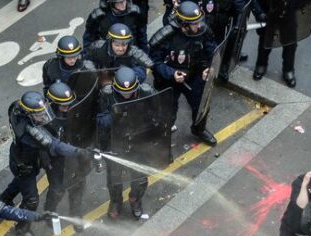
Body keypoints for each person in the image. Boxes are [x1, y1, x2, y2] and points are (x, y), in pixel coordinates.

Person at [0, 91, 92, 236]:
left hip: (32, 157)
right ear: (28, 115)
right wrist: (79, 151)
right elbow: (54, 144)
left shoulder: (16, 107)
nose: (43, 117)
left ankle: (4, 198)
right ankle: (22, 229)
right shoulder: (28, 132)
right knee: (31, 199)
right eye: (39, 115)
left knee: (20, 182)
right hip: (24, 163)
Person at [149, 1, 219, 146]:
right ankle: (164, 134)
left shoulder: (203, 31)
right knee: (168, 110)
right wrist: (172, 73)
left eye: (199, 22)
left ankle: (199, 129)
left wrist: (208, 67)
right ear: (184, 24)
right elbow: (155, 63)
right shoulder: (166, 36)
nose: (199, 26)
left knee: (201, 105)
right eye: (194, 24)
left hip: (194, 75)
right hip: (170, 79)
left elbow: (211, 52)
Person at [96, 67, 155, 219]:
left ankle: (135, 199)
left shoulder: (146, 92)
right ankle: (116, 202)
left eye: (129, 91)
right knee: (114, 178)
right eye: (123, 92)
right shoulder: (107, 95)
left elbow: (157, 114)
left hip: (138, 141)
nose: (127, 95)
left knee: (140, 178)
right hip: (116, 141)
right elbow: (100, 119)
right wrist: (114, 116)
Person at [42, 82, 93, 230]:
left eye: (69, 104)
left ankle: (76, 214)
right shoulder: (45, 119)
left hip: (77, 156)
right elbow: (44, 145)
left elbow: (87, 129)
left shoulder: (77, 110)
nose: (67, 107)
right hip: (58, 161)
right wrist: (47, 162)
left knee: (78, 185)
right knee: (57, 190)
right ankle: (49, 213)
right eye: (63, 105)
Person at [251, 0, 303, 87]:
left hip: (288, 12)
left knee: (290, 43)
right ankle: (261, 64)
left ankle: (288, 69)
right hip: (269, 11)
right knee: (265, 40)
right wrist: (259, 12)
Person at [86, 23, 154, 84]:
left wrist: (121, 80)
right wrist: (95, 74)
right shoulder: (97, 48)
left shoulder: (135, 55)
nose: (121, 49)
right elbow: (87, 60)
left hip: (122, 87)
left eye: (124, 45)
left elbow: (140, 74)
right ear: (110, 42)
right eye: (117, 45)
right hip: (100, 81)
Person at [83, 0, 148, 52]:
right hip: (108, 55)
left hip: (131, 53)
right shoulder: (98, 17)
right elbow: (88, 40)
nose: (123, 5)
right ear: (111, 3)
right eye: (120, 2)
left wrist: (145, 55)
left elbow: (142, 37)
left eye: (124, 1)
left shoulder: (135, 13)